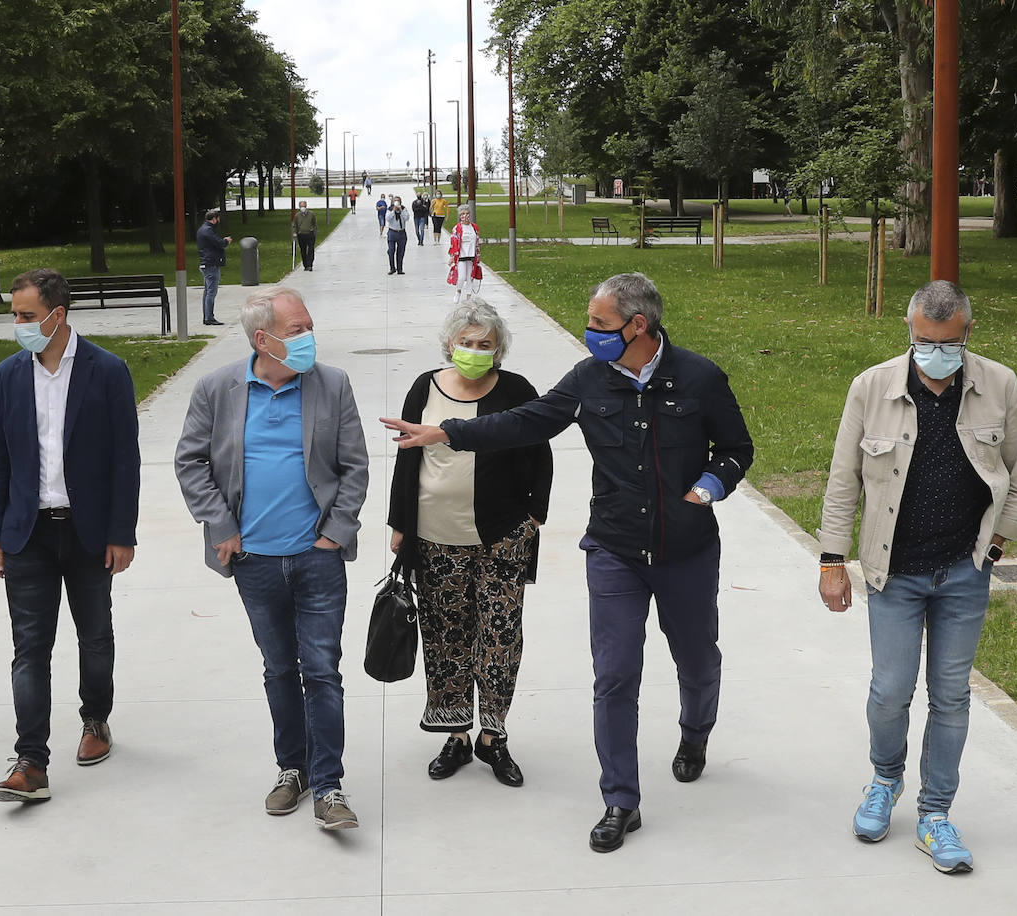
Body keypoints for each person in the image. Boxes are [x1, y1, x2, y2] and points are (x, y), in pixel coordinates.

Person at [380, 272, 753, 854]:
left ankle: (695, 732)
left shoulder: (699, 377)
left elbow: (737, 448)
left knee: (698, 660)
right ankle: (620, 800)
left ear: (638, 325)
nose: (590, 333)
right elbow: (525, 422)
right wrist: (447, 432)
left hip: (687, 550)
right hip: (614, 551)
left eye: (600, 324)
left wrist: (711, 483)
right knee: (614, 673)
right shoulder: (588, 378)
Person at [818, 280, 1017, 875]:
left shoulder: (1000, 385)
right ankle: (884, 781)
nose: (935, 352)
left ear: (968, 333)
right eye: (923, 341)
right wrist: (832, 560)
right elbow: (843, 481)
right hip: (894, 573)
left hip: (963, 572)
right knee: (890, 692)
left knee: (952, 696)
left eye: (947, 341)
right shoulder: (872, 387)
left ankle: (936, 812)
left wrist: (995, 544)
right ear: (909, 333)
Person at [175, 286, 369, 831]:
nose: (309, 336)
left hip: (318, 558)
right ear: (262, 340)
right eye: (296, 330)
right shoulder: (218, 389)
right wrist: (221, 524)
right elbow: (191, 462)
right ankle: (293, 769)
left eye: (310, 325)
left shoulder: (332, 384)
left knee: (322, 671)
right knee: (280, 669)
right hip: (255, 562)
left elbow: (354, 466)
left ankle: (329, 785)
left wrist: (335, 531)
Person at [0, 268, 141, 803]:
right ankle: (31, 760)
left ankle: (95, 719)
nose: (19, 325)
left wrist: (122, 532)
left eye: (27, 316)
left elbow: (126, 459)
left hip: (89, 531)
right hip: (26, 533)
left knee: (94, 635)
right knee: (30, 647)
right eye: (15, 316)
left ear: (58, 314)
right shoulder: (8, 375)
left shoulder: (108, 371)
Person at [388, 299, 552, 787]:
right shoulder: (425, 387)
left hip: (502, 535)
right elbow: (407, 457)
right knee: (445, 637)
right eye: (466, 343)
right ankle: (456, 735)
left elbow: (539, 454)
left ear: (498, 349)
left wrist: (534, 516)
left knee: (500, 639)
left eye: (484, 345)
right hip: (436, 535)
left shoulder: (517, 390)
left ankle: (493, 738)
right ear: (449, 344)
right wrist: (399, 523)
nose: (474, 351)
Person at [196, 208, 231, 327]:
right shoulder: (208, 230)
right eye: (218, 219)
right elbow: (219, 243)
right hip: (211, 264)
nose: (218, 221)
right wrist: (226, 241)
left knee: (207, 292)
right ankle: (209, 317)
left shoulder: (202, 229)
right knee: (211, 292)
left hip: (206, 263)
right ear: (214, 219)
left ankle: (207, 316)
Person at [447, 205, 481, 304]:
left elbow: (477, 242)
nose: (465, 216)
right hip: (461, 256)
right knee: (461, 277)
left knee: (470, 277)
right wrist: (452, 257)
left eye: (467, 213)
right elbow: (453, 243)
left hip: (471, 256)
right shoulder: (457, 228)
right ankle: (458, 291)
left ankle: (469, 297)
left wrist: (478, 255)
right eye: (462, 214)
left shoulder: (474, 227)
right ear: (460, 215)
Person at [385, 195, 411, 275]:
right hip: (392, 232)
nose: (396, 202)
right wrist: (394, 210)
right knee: (391, 250)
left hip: (401, 233)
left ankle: (400, 269)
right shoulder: (390, 209)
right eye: (395, 201)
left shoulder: (403, 208)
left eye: (398, 201)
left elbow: (407, 218)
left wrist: (401, 210)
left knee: (401, 252)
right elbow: (388, 218)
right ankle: (392, 268)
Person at [292, 201, 317, 272]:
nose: (302, 208)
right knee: (303, 250)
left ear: (306, 206)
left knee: (311, 249)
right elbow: (294, 225)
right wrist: (294, 232)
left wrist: (314, 232)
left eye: (303, 206)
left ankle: (310, 265)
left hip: (310, 234)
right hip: (301, 235)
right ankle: (305, 265)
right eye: (301, 206)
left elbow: (314, 223)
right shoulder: (297, 215)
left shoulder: (311, 214)